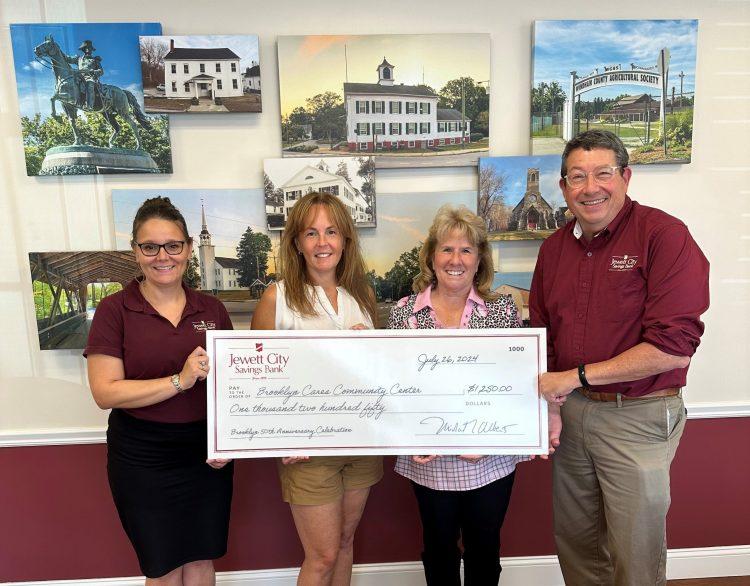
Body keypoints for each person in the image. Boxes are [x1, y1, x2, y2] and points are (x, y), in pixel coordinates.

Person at [530, 129, 710, 586]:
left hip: (640, 416)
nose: (590, 188)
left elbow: (674, 348)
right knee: (577, 544)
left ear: (626, 176)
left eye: (602, 174)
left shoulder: (664, 236)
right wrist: (553, 407)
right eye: (576, 177)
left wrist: (577, 377)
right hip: (570, 417)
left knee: (635, 550)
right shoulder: (553, 250)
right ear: (564, 187)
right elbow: (542, 338)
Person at [84, 197, 233, 584]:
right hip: (141, 456)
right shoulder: (114, 310)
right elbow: (106, 393)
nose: (162, 256)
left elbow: (234, 387)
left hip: (204, 454)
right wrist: (179, 381)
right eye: (150, 247)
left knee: (201, 559)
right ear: (135, 251)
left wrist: (225, 443)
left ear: (186, 248)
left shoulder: (212, 309)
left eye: (173, 245)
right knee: (162, 565)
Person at [387, 205, 529, 586]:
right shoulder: (404, 314)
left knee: (485, 550)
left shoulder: (501, 311)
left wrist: (490, 439)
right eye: (447, 249)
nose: (456, 259)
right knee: (438, 550)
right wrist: (410, 434)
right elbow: (395, 387)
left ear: (479, 259)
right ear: (431, 256)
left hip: (490, 460)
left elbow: (515, 385)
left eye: (466, 250)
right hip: (428, 460)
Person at [251, 191, 381, 586]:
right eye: (311, 233)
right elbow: (256, 380)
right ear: (296, 242)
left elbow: (378, 374)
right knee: (321, 556)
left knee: (343, 542)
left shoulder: (362, 297)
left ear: (345, 240)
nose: (322, 243)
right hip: (307, 451)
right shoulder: (278, 298)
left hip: (359, 445)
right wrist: (279, 438)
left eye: (331, 232)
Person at [65, 39, 103, 109]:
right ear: (84, 49)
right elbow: (68, 59)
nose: (88, 49)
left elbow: (101, 71)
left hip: (90, 78)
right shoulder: (78, 59)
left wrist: (93, 71)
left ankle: (89, 106)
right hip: (79, 77)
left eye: (90, 48)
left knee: (89, 84)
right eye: (86, 48)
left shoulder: (95, 60)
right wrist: (57, 50)